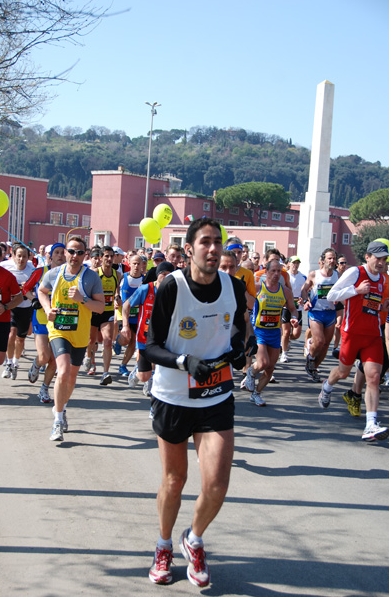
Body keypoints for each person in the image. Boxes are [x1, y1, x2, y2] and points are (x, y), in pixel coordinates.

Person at [145, 218, 246, 587]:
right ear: (189, 249)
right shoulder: (173, 286)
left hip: (216, 394)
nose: (213, 248)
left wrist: (239, 349)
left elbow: (238, 327)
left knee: (217, 483)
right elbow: (152, 345)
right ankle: (163, 545)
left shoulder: (234, 285)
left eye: (217, 242)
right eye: (205, 242)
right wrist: (185, 362)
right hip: (173, 395)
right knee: (175, 480)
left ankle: (195, 538)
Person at [318, 241, 389, 442]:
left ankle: (370, 424)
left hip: (373, 335)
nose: (382, 263)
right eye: (378, 258)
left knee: (374, 377)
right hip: (352, 333)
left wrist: (384, 306)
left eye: (384, 259)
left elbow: (376, 306)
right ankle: (327, 385)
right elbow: (332, 295)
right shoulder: (356, 273)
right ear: (367, 257)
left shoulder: (383, 279)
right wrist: (356, 291)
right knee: (343, 372)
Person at [38, 237, 104, 442]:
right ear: (65, 252)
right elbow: (41, 291)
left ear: (85, 255)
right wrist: (48, 309)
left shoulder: (91, 277)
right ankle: (57, 421)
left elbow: (100, 307)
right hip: (59, 330)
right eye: (71, 251)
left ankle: (62, 408)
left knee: (72, 377)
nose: (75, 256)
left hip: (80, 334)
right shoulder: (54, 274)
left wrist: (83, 300)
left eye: (79, 252)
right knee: (63, 371)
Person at [245, 259, 298, 406]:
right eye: (273, 271)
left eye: (279, 271)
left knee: (270, 367)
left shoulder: (285, 291)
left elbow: (293, 309)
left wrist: (294, 318)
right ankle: (251, 372)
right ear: (266, 272)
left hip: (275, 332)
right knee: (263, 363)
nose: (276, 274)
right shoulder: (257, 288)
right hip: (259, 331)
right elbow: (244, 300)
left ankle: (256, 394)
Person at [22, 243, 66, 403]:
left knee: (55, 360)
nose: (60, 255)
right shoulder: (41, 272)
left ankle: (44, 389)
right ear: (51, 255)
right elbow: (25, 288)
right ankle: (36, 363)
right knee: (44, 356)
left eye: (63, 252)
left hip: (61, 320)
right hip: (41, 318)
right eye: (57, 252)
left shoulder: (70, 274)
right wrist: (34, 299)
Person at [124, 261, 175, 397]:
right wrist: (125, 326)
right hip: (144, 336)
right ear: (158, 275)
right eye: (163, 274)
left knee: (161, 370)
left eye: (169, 275)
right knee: (143, 376)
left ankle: (155, 398)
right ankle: (139, 372)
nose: (166, 277)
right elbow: (126, 306)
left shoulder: (174, 292)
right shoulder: (145, 289)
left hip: (164, 337)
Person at [0, 244, 23, 402]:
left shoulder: (8, 277)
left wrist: (6, 306)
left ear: (1, 257)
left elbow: (19, 297)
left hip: (1, 321)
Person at [301, 248, 338, 382]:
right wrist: (306, 301)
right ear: (323, 260)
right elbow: (304, 290)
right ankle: (310, 357)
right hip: (316, 312)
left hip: (330, 312)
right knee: (320, 340)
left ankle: (313, 368)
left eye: (334, 258)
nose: (332, 260)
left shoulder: (338, 275)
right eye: (329, 258)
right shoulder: (314, 275)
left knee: (326, 344)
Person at [85, 246, 121, 385]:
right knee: (90, 341)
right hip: (94, 311)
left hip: (108, 312)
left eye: (111, 256)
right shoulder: (94, 273)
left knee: (107, 341)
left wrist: (118, 297)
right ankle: (89, 358)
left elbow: (117, 291)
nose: (109, 259)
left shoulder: (117, 275)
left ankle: (106, 372)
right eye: (106, 256)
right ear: (101, 258)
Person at [0, 243, 35, 380]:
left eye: (24, 257)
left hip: (26, 308)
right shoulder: (5, 267)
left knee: (20, 339)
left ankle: (15, 362)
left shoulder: (32, 270)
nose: (21, 259)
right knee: (11, 334)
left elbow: (35, 290)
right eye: (19, 256)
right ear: (13, 256)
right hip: (11, 307)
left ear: (28, 257)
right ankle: (8, 363)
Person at [114, 254, 143, 376]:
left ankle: (123, 365)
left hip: (137, 315)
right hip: (123, 314)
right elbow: (116, 289)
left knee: (133, 342)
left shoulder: (145, 280)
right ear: (129, 264)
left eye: (138, 263)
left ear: (142, 265)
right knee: (126, 339)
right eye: (134, 263)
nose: (136, 266)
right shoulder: (122, 277)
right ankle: (118, 341)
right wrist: (117, 298)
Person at [279, 256, 306, 363]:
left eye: (297, 263)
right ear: (289, 264)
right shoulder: (285, 276)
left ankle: (285, 340)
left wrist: (302, 300)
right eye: (294, 263)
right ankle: (284, 354)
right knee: (285, 332)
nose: (295, 265)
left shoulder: (303, 277)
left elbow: (304, 292)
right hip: (286, 307)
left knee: (296, 334)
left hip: (297, 308)